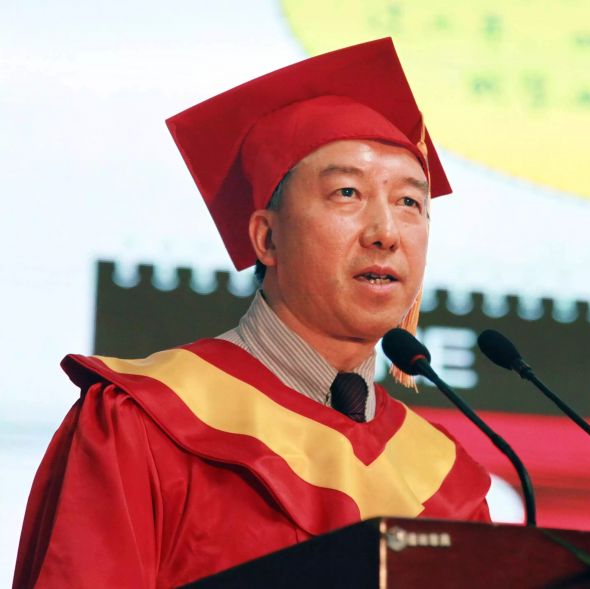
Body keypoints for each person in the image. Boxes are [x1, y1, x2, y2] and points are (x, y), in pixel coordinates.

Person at [13, 38, 491, 588]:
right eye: (347, 193)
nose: (386, 233)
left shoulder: (445, 481)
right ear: (266, 237)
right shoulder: (143, 421)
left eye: (410, 202)